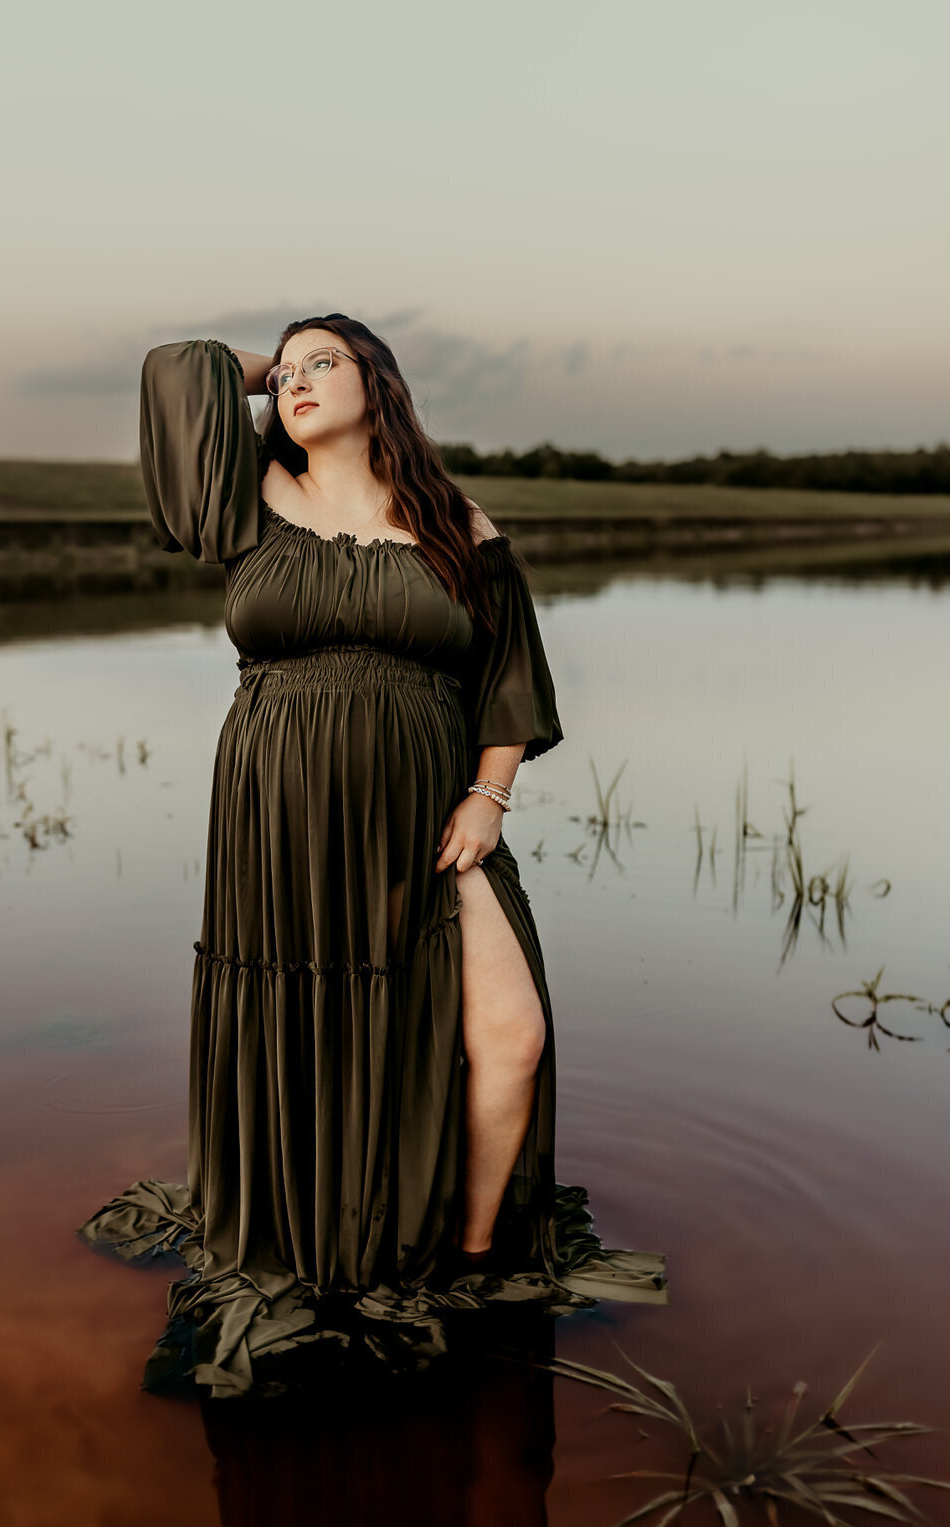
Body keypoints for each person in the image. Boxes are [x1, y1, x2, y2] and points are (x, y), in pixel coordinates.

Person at [78, 314, 668, 1399]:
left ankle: (477, 1259)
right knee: (312, 1015)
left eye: (324, 363)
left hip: (432, 816)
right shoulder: (244, 496)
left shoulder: (455, 522)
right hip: (281, 816)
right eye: (285, 371)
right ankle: (327, 1237)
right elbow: (177, 372)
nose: (296, 381)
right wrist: (271, 363)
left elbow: (508, 679)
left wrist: (490, 797)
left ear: (380, 383)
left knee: (510, 1032)